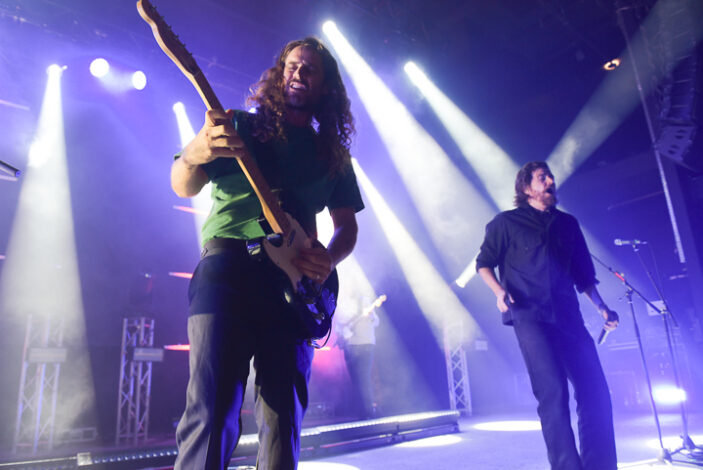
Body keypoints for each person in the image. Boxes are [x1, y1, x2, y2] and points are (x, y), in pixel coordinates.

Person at [170, 37, 364, 470]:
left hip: (294, 283)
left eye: (310, 69)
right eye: (292, 65)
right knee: (212, 409)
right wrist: (195, 153)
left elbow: (348, 227)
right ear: (279, 75)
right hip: (227, 267)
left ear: (326, 87)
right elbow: (183, 184)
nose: (299, 73)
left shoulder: (331, 154)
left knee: (282, 418)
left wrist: (328, 259)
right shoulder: (238, 124)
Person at [476, 161, 619, 470]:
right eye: (543, 177)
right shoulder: (506, 223)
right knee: (553, 393)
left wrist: (602, 307)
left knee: (595, 390)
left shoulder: (568, 224)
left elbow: (584, 276)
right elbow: (484, 263)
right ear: (526, 187)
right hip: (530, 317)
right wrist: (499, 292)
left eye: (551, 176)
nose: (551, 180)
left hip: (569, 316)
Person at [336, 294, 385, 419]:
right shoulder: (345, 303)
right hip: (351, 345)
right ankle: (362, 411)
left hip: (365, 344)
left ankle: (368, 412)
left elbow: (376, 322)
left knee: (364, 379)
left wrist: (371, 315)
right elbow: (339, 324)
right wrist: (343, 333)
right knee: (356, 380)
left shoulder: (365, 301)